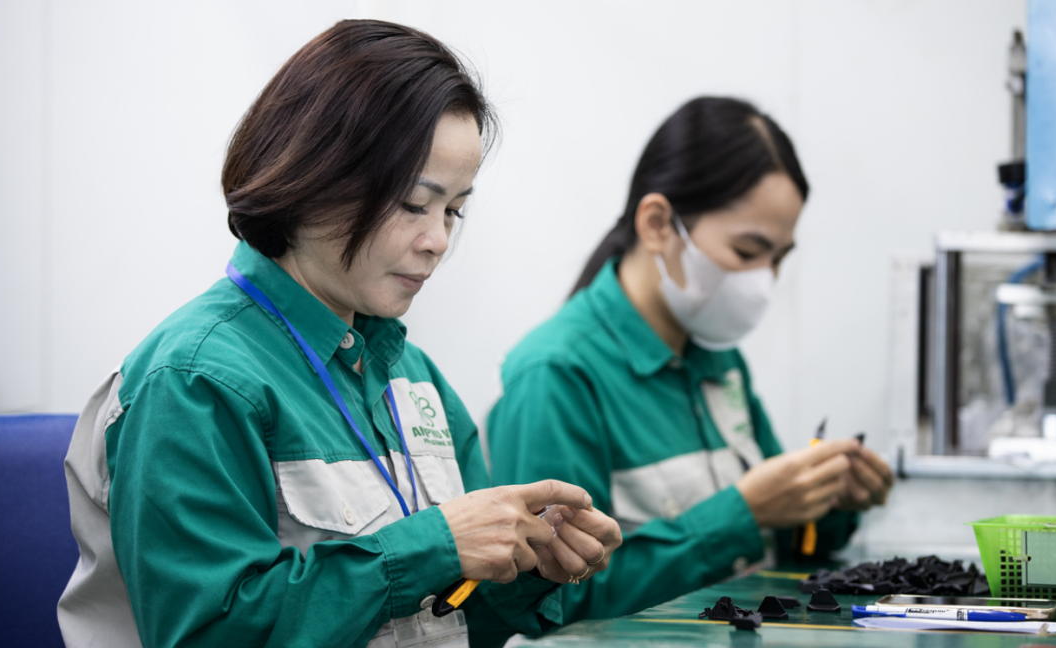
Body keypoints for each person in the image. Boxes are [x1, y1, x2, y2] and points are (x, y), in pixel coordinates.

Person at [57, 20, 621, 648]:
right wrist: (435, 547)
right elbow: (209, 636)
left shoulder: (416, 379)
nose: (437, 240)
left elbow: (451, 623)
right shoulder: (195, 381)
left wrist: (524, 569)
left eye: (454, 210)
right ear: (312, 176)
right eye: (413, 204)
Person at [486, 97, 894, 623]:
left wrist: (830, 502)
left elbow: (780, 543)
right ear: (658, 224)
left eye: (778, 258)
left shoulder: (719, 359)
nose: (764, 281)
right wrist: (739, 516)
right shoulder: (557, 376)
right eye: (748, 252)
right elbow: (554, 604)